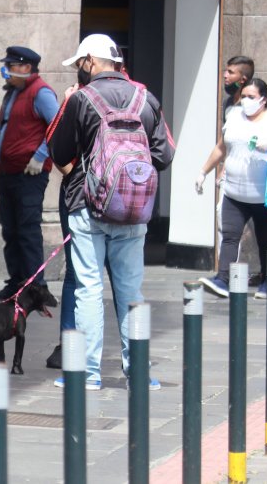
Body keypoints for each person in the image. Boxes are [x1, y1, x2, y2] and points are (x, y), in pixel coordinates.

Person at [48, 34, 174, 391]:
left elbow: (59, 152)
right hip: (134, 210)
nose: (79, 71)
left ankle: (87, 374)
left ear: (90, 61)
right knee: (132, 292)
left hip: (87, 207)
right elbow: (164, 156)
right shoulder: (145, 97)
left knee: (89, 287)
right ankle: (139, 373)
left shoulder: (82, 99)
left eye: (79, 64)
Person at [196, 78, 267, 299]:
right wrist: (203, 172)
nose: (245, 101)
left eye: (251, 97)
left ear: (263, 99)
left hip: (264, 194)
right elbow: (221, 147)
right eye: (243, 96)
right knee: (230, 236)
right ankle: (222, 280)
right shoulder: (234, 117)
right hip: (234, 192)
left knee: (265, 239)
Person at [0, 46, 60, 301]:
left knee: (27, 231)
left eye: (11, 66)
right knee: (11, 230)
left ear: (26, 68)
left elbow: (57, 125)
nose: (6, 71)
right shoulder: (15, 92)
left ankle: (36, 287)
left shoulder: (41, 93)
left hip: (29, 176)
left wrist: (40, 156)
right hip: (9, 174)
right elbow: (13, 121)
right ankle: (17, 284)